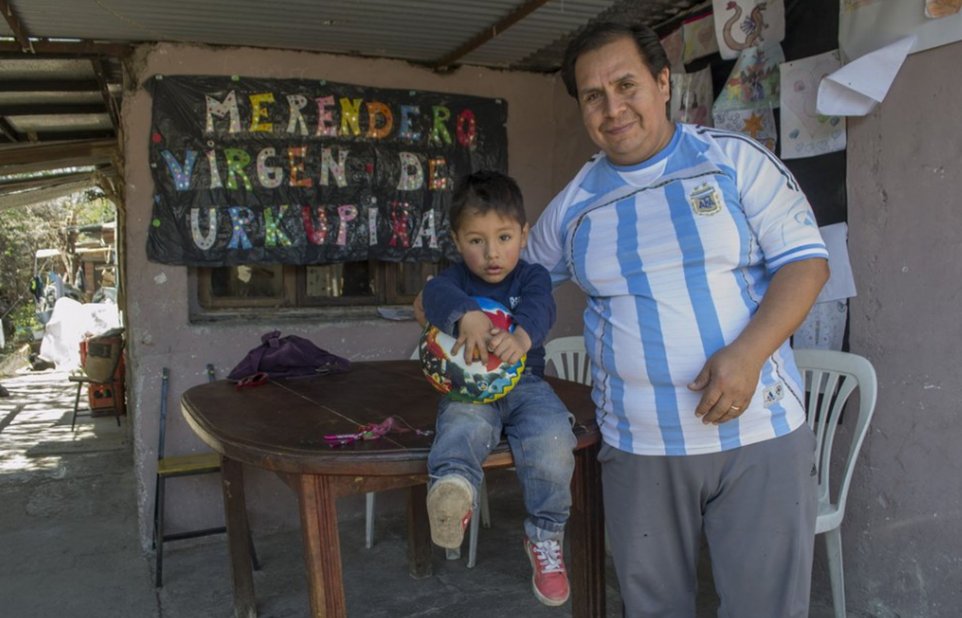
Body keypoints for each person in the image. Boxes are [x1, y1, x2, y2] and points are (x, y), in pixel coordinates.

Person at [520, 22, 831, 617]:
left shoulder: (732, 161)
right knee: (654, 609)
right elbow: (517, 279)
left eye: (626, 84)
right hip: (640, 447)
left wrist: (747, 355)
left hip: (759, 433)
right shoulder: (575, 206)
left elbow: (806, 263)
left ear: (664, 83)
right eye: (593, 95)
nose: (613, 108)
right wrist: (449, 297)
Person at [421, 170, 577, 607]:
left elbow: (541, 307)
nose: (492, 253)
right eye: (476, 241)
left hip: (526, 383)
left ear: (524, 235)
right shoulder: (453, 281)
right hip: (470, 387)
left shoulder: (531, 277)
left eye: (505, 237)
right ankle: (453, 491)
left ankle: (545, 537)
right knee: (461, 422)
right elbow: (432, 297)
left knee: (552, 438)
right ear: (456, 240)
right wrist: (465, 314)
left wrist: (523, 337)